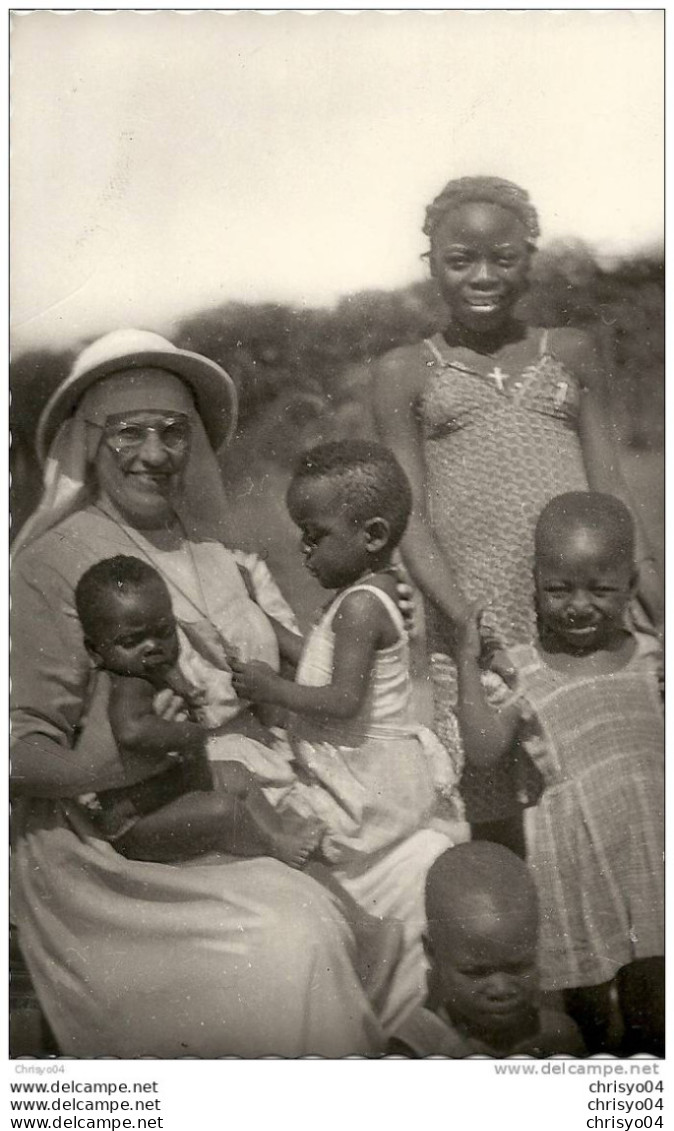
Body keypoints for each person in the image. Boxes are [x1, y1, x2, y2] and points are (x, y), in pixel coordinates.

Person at [10, 327, 397, 1057]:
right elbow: (18, 752)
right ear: (89, 442)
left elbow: (303, 668)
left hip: (260, 784)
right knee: (297, 937)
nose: (154, 455)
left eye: (172, 432)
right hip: (119, 837)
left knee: (421, 869)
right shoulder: (50, 567)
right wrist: (118, 768)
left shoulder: (222, 556)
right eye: (130, 433)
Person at [373, 174, 663, 856]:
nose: (483, 276)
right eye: (460, 260)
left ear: (530, 256)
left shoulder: (571, 352)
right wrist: (463, 621)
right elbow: (408, 515)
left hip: (581, 599)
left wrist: (657, 601)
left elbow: (611, 486)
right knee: (497, 804)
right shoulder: (404, 370)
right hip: (474, 613)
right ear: (431, 263)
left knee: (609, 789)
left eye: (503, 259)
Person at [454, 492, 664, 1056]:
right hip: (575, 864)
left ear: (631, 584)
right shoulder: (522, 667)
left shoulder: (652, 659)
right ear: (535, 581)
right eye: (558, 589)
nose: (578, 606)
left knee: (654, 994)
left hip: (651, 854)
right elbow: (480, 749)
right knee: (586, 1005)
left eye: (601, 590)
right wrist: (467, 666)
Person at [230, 439, 457, 865]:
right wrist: (259, 615)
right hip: (366, 764)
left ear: (372, 535)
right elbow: (317, 661)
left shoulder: (361, 606)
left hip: (366, 774)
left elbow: (342, 699)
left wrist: (272, 688)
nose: (304, 549)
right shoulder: (365, 593)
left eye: (315, 535)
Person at [74, 555, 320, 867]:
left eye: (163, 631)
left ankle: (282, 839)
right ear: (96, 650)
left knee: (238, 775)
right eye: (132, 640)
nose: (153, 646)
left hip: (164, 796)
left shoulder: (145, 670)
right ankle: (272, 845)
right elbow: (132, 731)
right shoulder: (127, 684)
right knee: (222, 811)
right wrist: (189, 734)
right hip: (134, 822)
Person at [390, 842, 585, 1057]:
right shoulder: (415, 1049)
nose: (501, 989)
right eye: (477, 972)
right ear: (432, 952)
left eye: (519, 967)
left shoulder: (558, 1034)